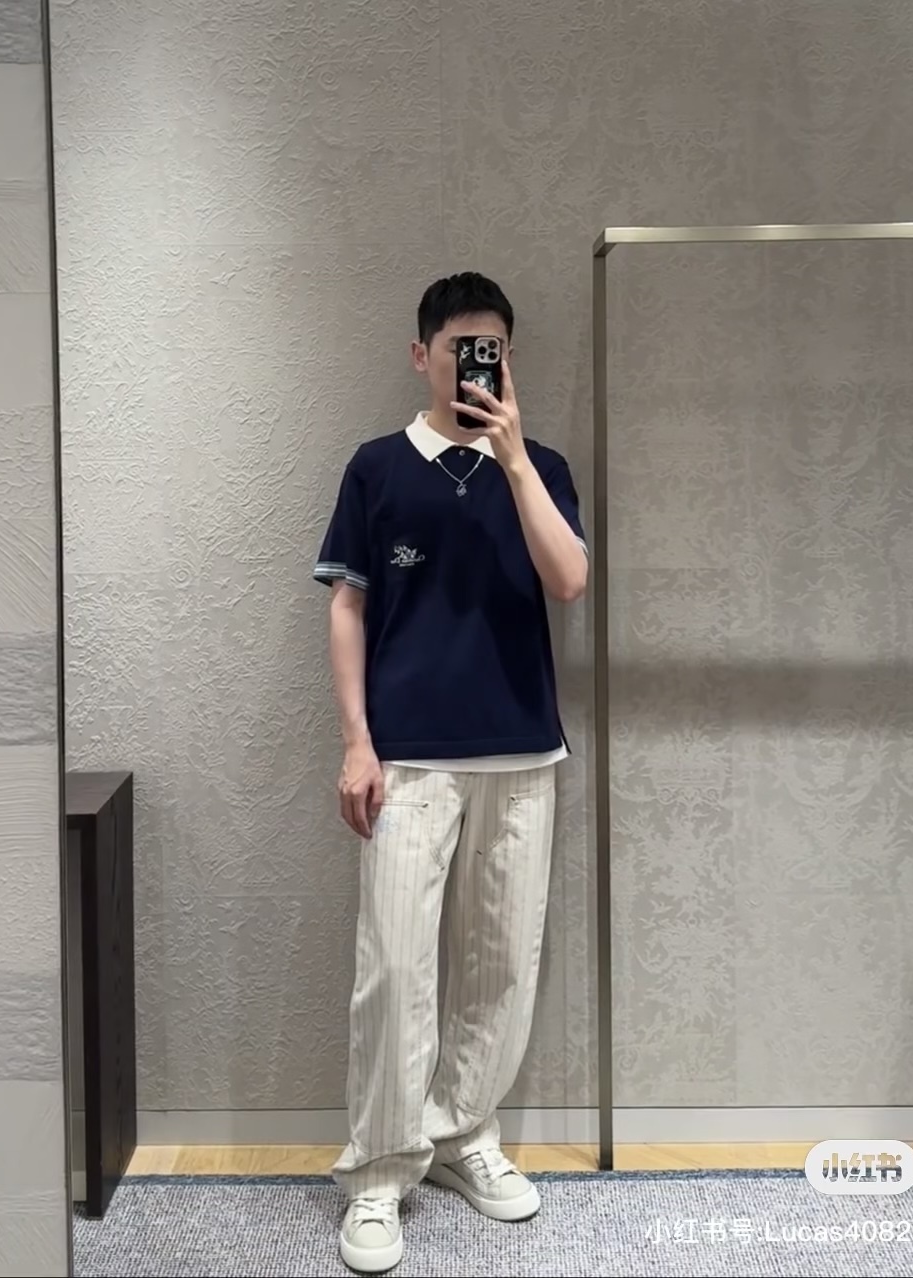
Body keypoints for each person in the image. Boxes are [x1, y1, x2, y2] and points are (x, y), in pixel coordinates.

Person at [313, 272, 588, 1273]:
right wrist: (356, 741)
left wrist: (511, 456)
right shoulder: (377, 467)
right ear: (421, 355)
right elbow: (346, 605)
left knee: (501, 964)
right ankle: (379, 1172)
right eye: (462, 348)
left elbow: (570, 579)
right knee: (395, 968)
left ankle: (465, 1136)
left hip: (522, 753)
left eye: (494, 351)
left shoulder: (541, 465)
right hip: (408, 761)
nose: (478, 366)